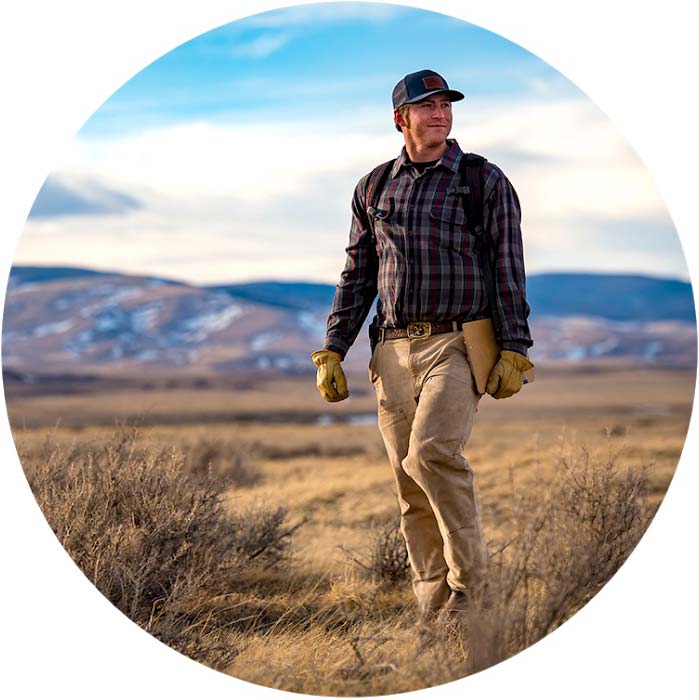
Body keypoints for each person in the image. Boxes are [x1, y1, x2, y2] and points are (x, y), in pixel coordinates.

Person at [310, 69, 534, 625]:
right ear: (400, 119)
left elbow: (508, 266)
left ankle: (472, 589)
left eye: (446, 105)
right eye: (427, 106)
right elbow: (358, 273)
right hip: (390, 351)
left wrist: (515, 345)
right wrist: (333, 347)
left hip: (458, 343)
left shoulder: (481, 180)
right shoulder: (374, 186)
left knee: (431, 454)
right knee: (410, 488)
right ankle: (434, 614)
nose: (440, 113)